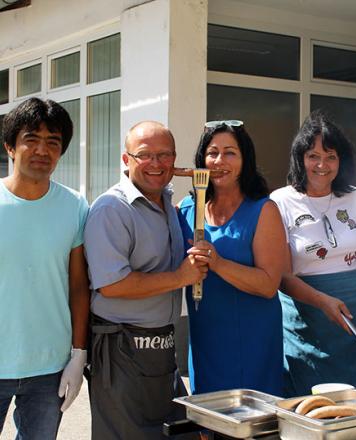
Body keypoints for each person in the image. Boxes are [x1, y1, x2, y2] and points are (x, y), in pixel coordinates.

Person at [84, 121, 208, 439]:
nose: (156, 164)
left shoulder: (166, 203)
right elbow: (112, 284)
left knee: (172, 432)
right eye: (144, 155)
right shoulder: (112, 209)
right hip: (120, 346)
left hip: (161, 345)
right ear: (126, 160)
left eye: (164, 155)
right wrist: (180, 277)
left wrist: (192, 176)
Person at [270, 111, 356, 396]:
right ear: (300, 158)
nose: (322, 165)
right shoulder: (280, 201)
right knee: (313, 402)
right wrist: (322, 301)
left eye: (331, 156)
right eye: (313, 156)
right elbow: (281, 275)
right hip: (308, 313)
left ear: (341, 160)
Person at [0, 98, 89, 439]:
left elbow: (78, 285)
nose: (42, 150)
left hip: (49, 368)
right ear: (10, 146)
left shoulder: (74, 206)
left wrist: (78, 355)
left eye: (53, 142)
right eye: (31, 139)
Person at [177, 120, 287, 396]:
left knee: (251, 423)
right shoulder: (186, 208)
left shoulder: (263, 210)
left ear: (245, 159)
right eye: (212, 153)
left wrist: (218, 263)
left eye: (230, 153)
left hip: (253, 340)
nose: (219, 161)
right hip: (205, 338)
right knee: (207, 422)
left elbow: (268, 284)